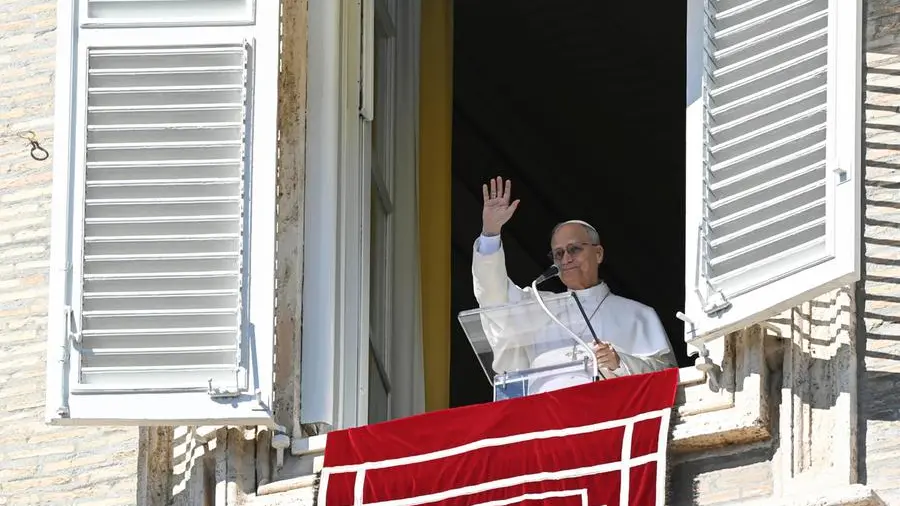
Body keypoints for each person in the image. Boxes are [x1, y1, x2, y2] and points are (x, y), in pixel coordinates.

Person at [472, 176, 676, 392]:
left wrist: (619, 363)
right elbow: (494, 296)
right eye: (558, 253)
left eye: (574, 249)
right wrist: (490, 234)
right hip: (544, 417)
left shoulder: (637, 315)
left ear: (598, 254)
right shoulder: (539, 308)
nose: (566, 258)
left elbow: (666, 377)